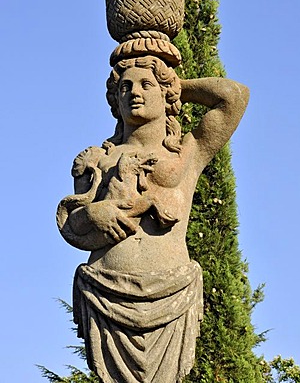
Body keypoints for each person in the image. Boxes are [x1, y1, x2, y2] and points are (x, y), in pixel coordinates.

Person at [57, 55, 249, 383]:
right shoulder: (99, 160)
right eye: (125, 87)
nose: (135, 92)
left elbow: (233, 97)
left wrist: (175, 86)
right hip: (106, 291)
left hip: (173, 288)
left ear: (165, 93)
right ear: (115, 100)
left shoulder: (187, 153)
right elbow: (72, 225)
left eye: (146, 85)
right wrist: (94, 212)